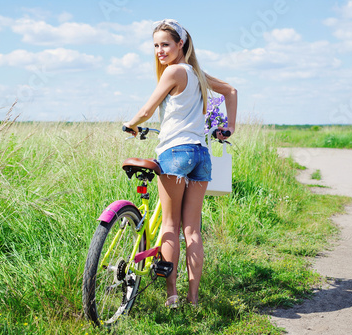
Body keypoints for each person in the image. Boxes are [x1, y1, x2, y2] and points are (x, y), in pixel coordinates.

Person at [123, 19, 237, 307]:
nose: (160, 51)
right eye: (156, 46)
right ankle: (194, 299)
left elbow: (148, 109)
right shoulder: (197, 74)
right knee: (193, 230)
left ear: (180, 44)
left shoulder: (173, 72)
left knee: (170, 226)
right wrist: (229, 128)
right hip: (201, 154)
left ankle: (172, 295)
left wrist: (131, 124)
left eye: (165, 44)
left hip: (175, 152)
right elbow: (230, 91)